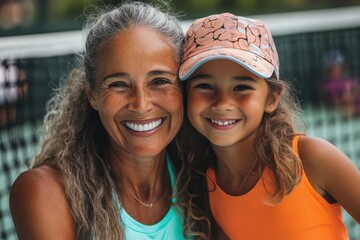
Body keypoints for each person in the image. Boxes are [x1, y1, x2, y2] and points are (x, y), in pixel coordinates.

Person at [9, 2, 212, 239]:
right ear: (92, 96)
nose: (141, 104)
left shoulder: (204, 177)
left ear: (183, 88)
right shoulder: (45, 192)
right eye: (118, 84)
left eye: (159, 81)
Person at [178, 13, 360, 239]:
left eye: (241, 87)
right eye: (204, 85)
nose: (223, 102)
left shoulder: (313, 159)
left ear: (272, 98)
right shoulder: (204, 184)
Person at [319, 49, 360, 117]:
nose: (335, 68)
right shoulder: (326, 84)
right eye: (333, 66)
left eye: (338, 65)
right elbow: (333, 102)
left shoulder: (350, 79)